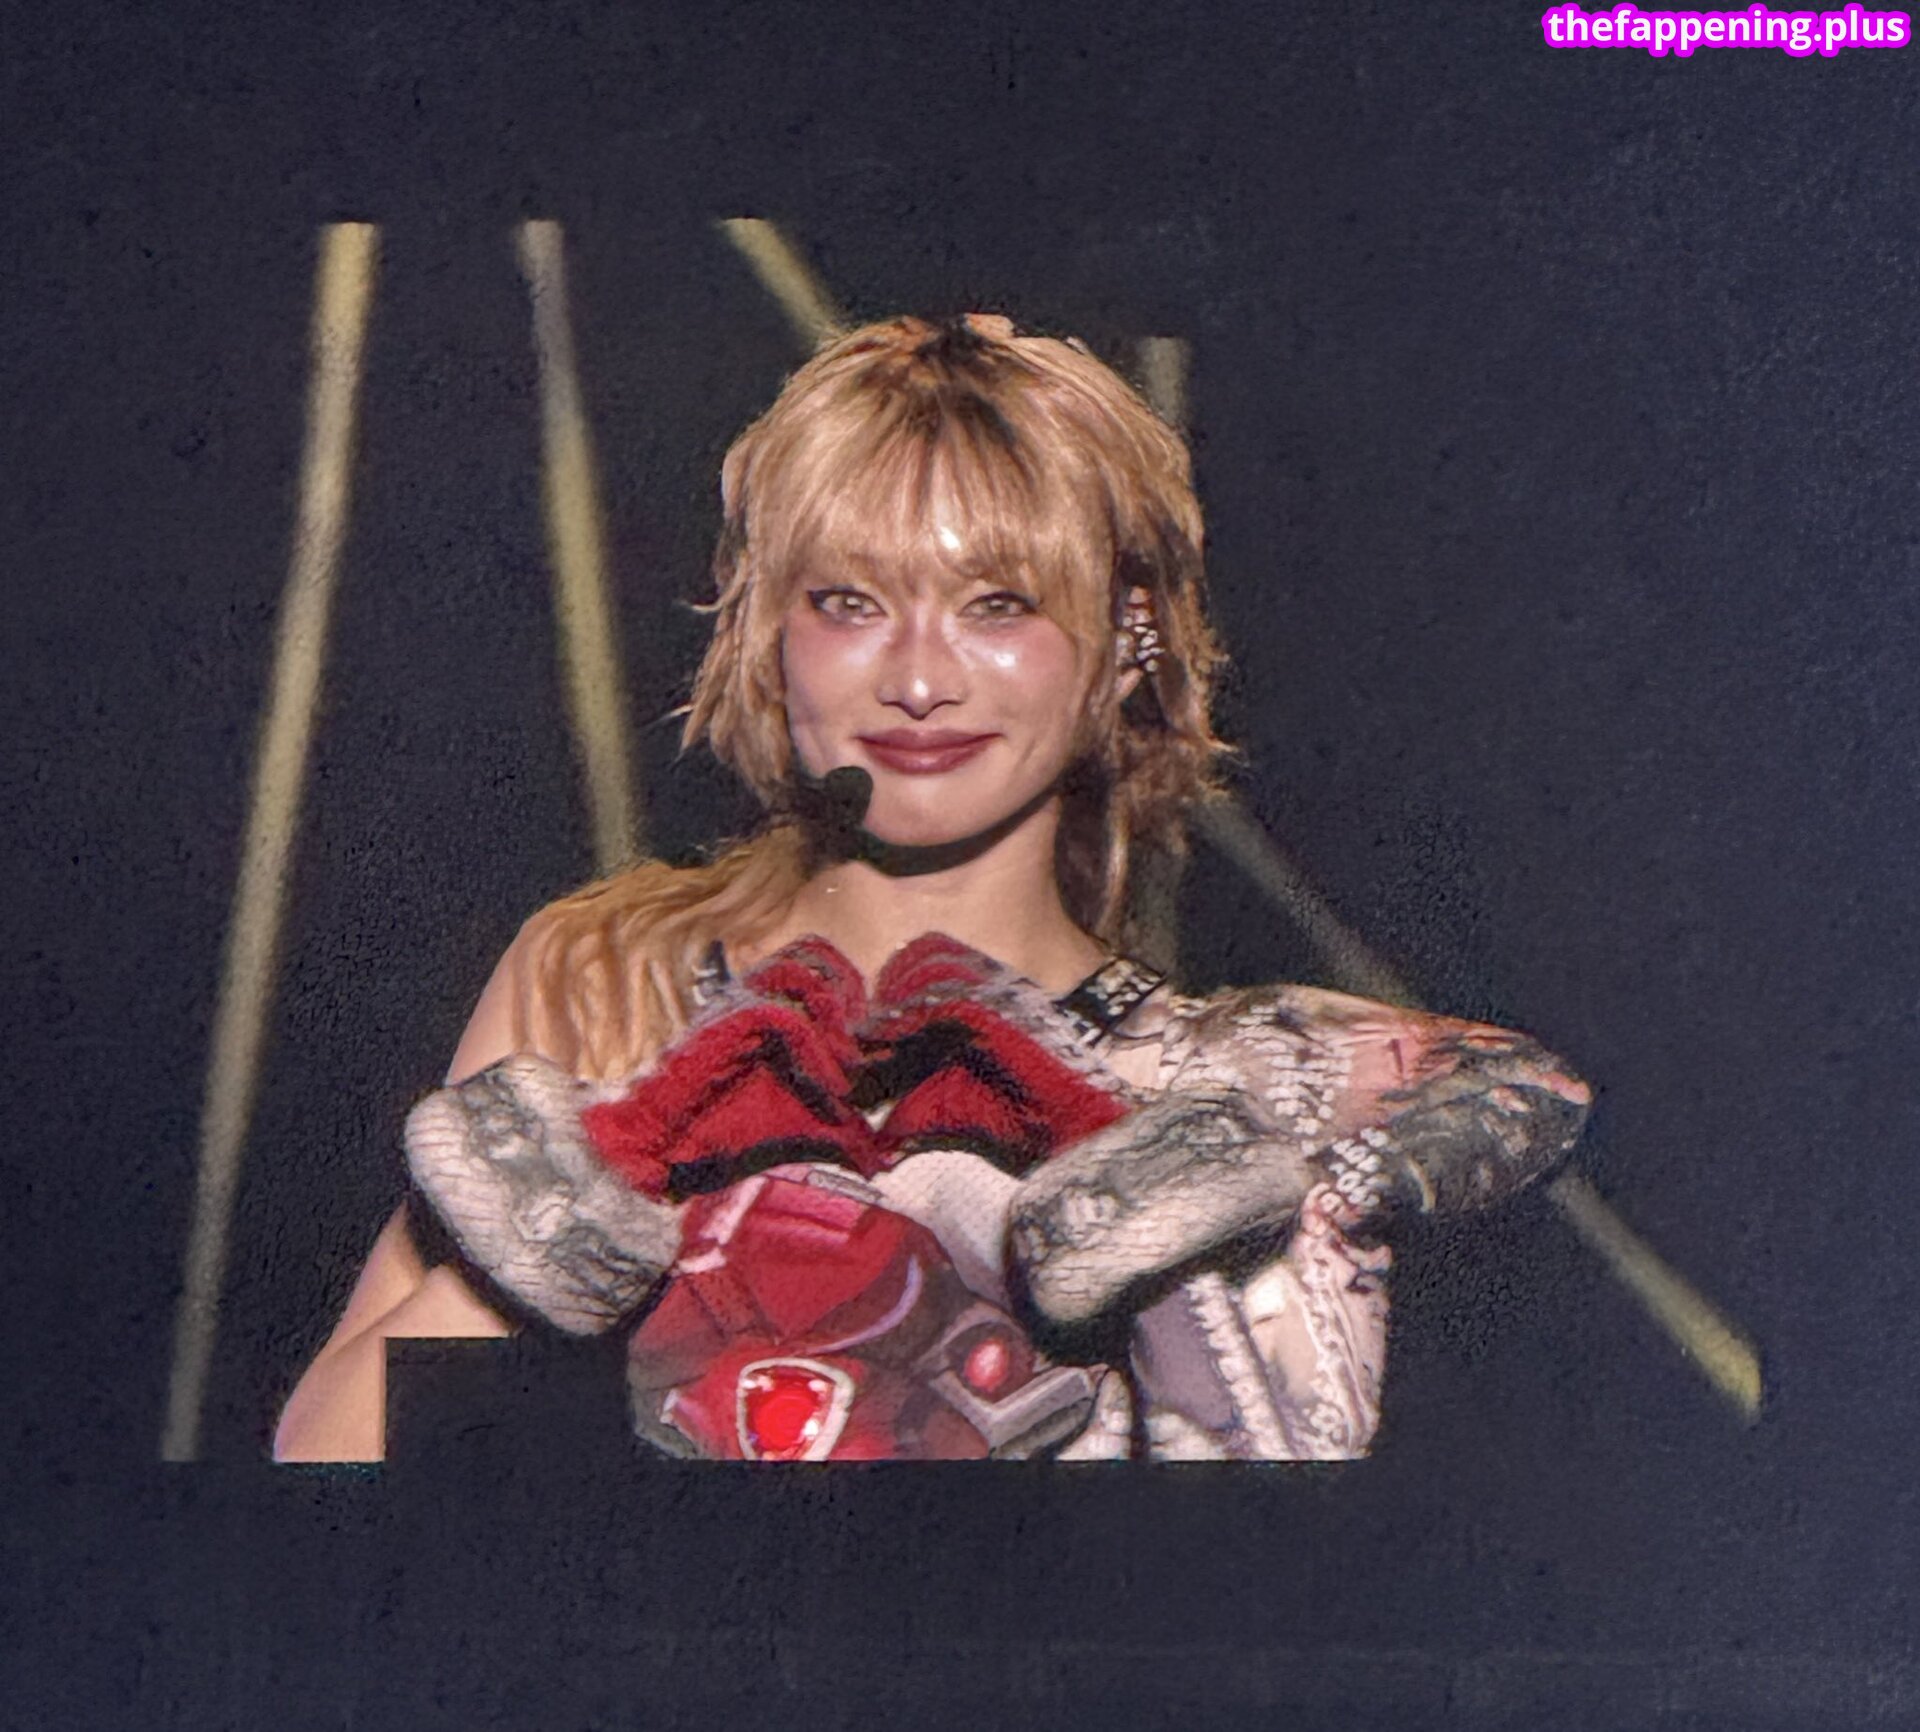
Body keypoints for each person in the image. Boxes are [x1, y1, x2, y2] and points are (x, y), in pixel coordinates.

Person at [273, 312, 1590, 1464]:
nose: (916, 679)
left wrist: (1219, 1164)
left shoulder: (1219, 1070)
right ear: (771, 634)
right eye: (849, 602)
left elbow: (1526, 1091)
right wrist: (589, 1206)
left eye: (997, 603)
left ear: (1127, 639)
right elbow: (327, 1454)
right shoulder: (607, 972)